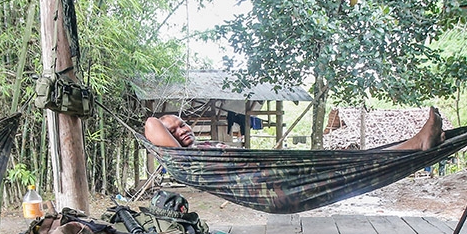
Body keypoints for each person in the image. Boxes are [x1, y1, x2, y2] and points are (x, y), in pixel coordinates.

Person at [144, 107, 445, 150]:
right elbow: (151, 124)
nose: (182, 129)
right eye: (174, 129)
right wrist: (165, 127)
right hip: (263, 175)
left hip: (268, 166)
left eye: (183, 123)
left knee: (354, 160)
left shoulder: (201, 146)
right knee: (352, 161)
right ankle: (416, 143)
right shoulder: (183, 156)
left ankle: (417, 143)